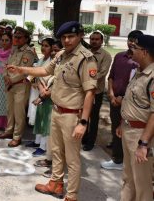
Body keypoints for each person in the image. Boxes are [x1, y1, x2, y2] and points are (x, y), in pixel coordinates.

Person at [7, 21, 97, 200]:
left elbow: (90, 93)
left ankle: (71, 195)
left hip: (73, 116)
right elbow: (44, 69)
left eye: (71, 36)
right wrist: (21, 69)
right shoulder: (62, 54)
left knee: (72, 159)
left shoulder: (86, 59)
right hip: (57, 111)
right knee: (56, 151)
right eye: (64, 37)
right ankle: (55, 184)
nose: (67, 40)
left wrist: (83, 122)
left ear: (80, 36)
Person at [116, 34, 154, 201]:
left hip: (141, 134)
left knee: (142, 182)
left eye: (134, 48)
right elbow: (130, 103)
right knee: (128, 178)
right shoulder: (139, 72)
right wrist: (121, 124)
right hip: (128, 130)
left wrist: (144, 143)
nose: (131, 51)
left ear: (144, 52)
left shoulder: (152, 77)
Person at [101, 30, 142, 171]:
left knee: (128, 131)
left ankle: (126, 161)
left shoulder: (139, 61)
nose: (131, 42)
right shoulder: (119, 56)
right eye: (130, 39)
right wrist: (111, 94)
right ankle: (117, 160)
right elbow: (111, 76)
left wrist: (123, 98)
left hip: (130, 103)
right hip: (114, 100)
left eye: (135, 40)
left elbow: (136, 84)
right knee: (116, 130)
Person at [0, 27, 36, 147]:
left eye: (19, 37)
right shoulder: (14, 50)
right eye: (15, 36)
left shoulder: (28, 52)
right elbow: (6, 65)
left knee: (19, 113)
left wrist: (11, 80)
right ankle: (9, 131)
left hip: (20, 86)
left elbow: (24, 71)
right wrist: (5, 76)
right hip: (10, 84)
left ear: (26, 39)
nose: (16, 39)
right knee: (10, 110)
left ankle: (17, 136)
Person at [82, 31, 112, 151]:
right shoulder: (85, 52)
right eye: (92, 39)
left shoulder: (106, 55)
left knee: (93, 118)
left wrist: (86, 79)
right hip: (82, 90)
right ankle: (83, 137)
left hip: (96, 92)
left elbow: (102, 73)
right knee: (82, 115)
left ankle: (90, 142)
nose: (94, 41)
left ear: (101, 41)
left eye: (97, 39)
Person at [30, 38, 56, 157]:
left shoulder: (52, 62)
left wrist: (42, 90)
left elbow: (50, 80)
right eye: (43, 45)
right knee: (39, 118)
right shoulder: (41, 60)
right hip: (38, 92)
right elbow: (35, 75)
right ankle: (37, 141)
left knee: (46, 120)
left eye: (46, 46)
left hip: (47, 94)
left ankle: (43, 146)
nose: (43, 48)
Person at [0, 32, 12, 132]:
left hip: (8, 78)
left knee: (6, 101)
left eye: (7, 40)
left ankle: (7, 124)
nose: (4, 42)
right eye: (2, 40)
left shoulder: (13, 53)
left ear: (11, 41)